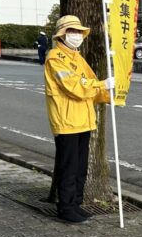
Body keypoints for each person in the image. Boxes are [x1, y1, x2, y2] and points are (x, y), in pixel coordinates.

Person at [44, 14, 113, 223]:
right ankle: (65, 207)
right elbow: (75, 87)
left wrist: (110, 94)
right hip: (66, 122)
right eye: (71, 31)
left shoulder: (78, 57)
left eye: (78, 32)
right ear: (62, 34)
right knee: (69, 167)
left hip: (84, 119)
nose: (76, 35)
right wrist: (102, 85)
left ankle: (76, 203)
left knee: (81, 166)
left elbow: (90, 84)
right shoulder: (55, 58)